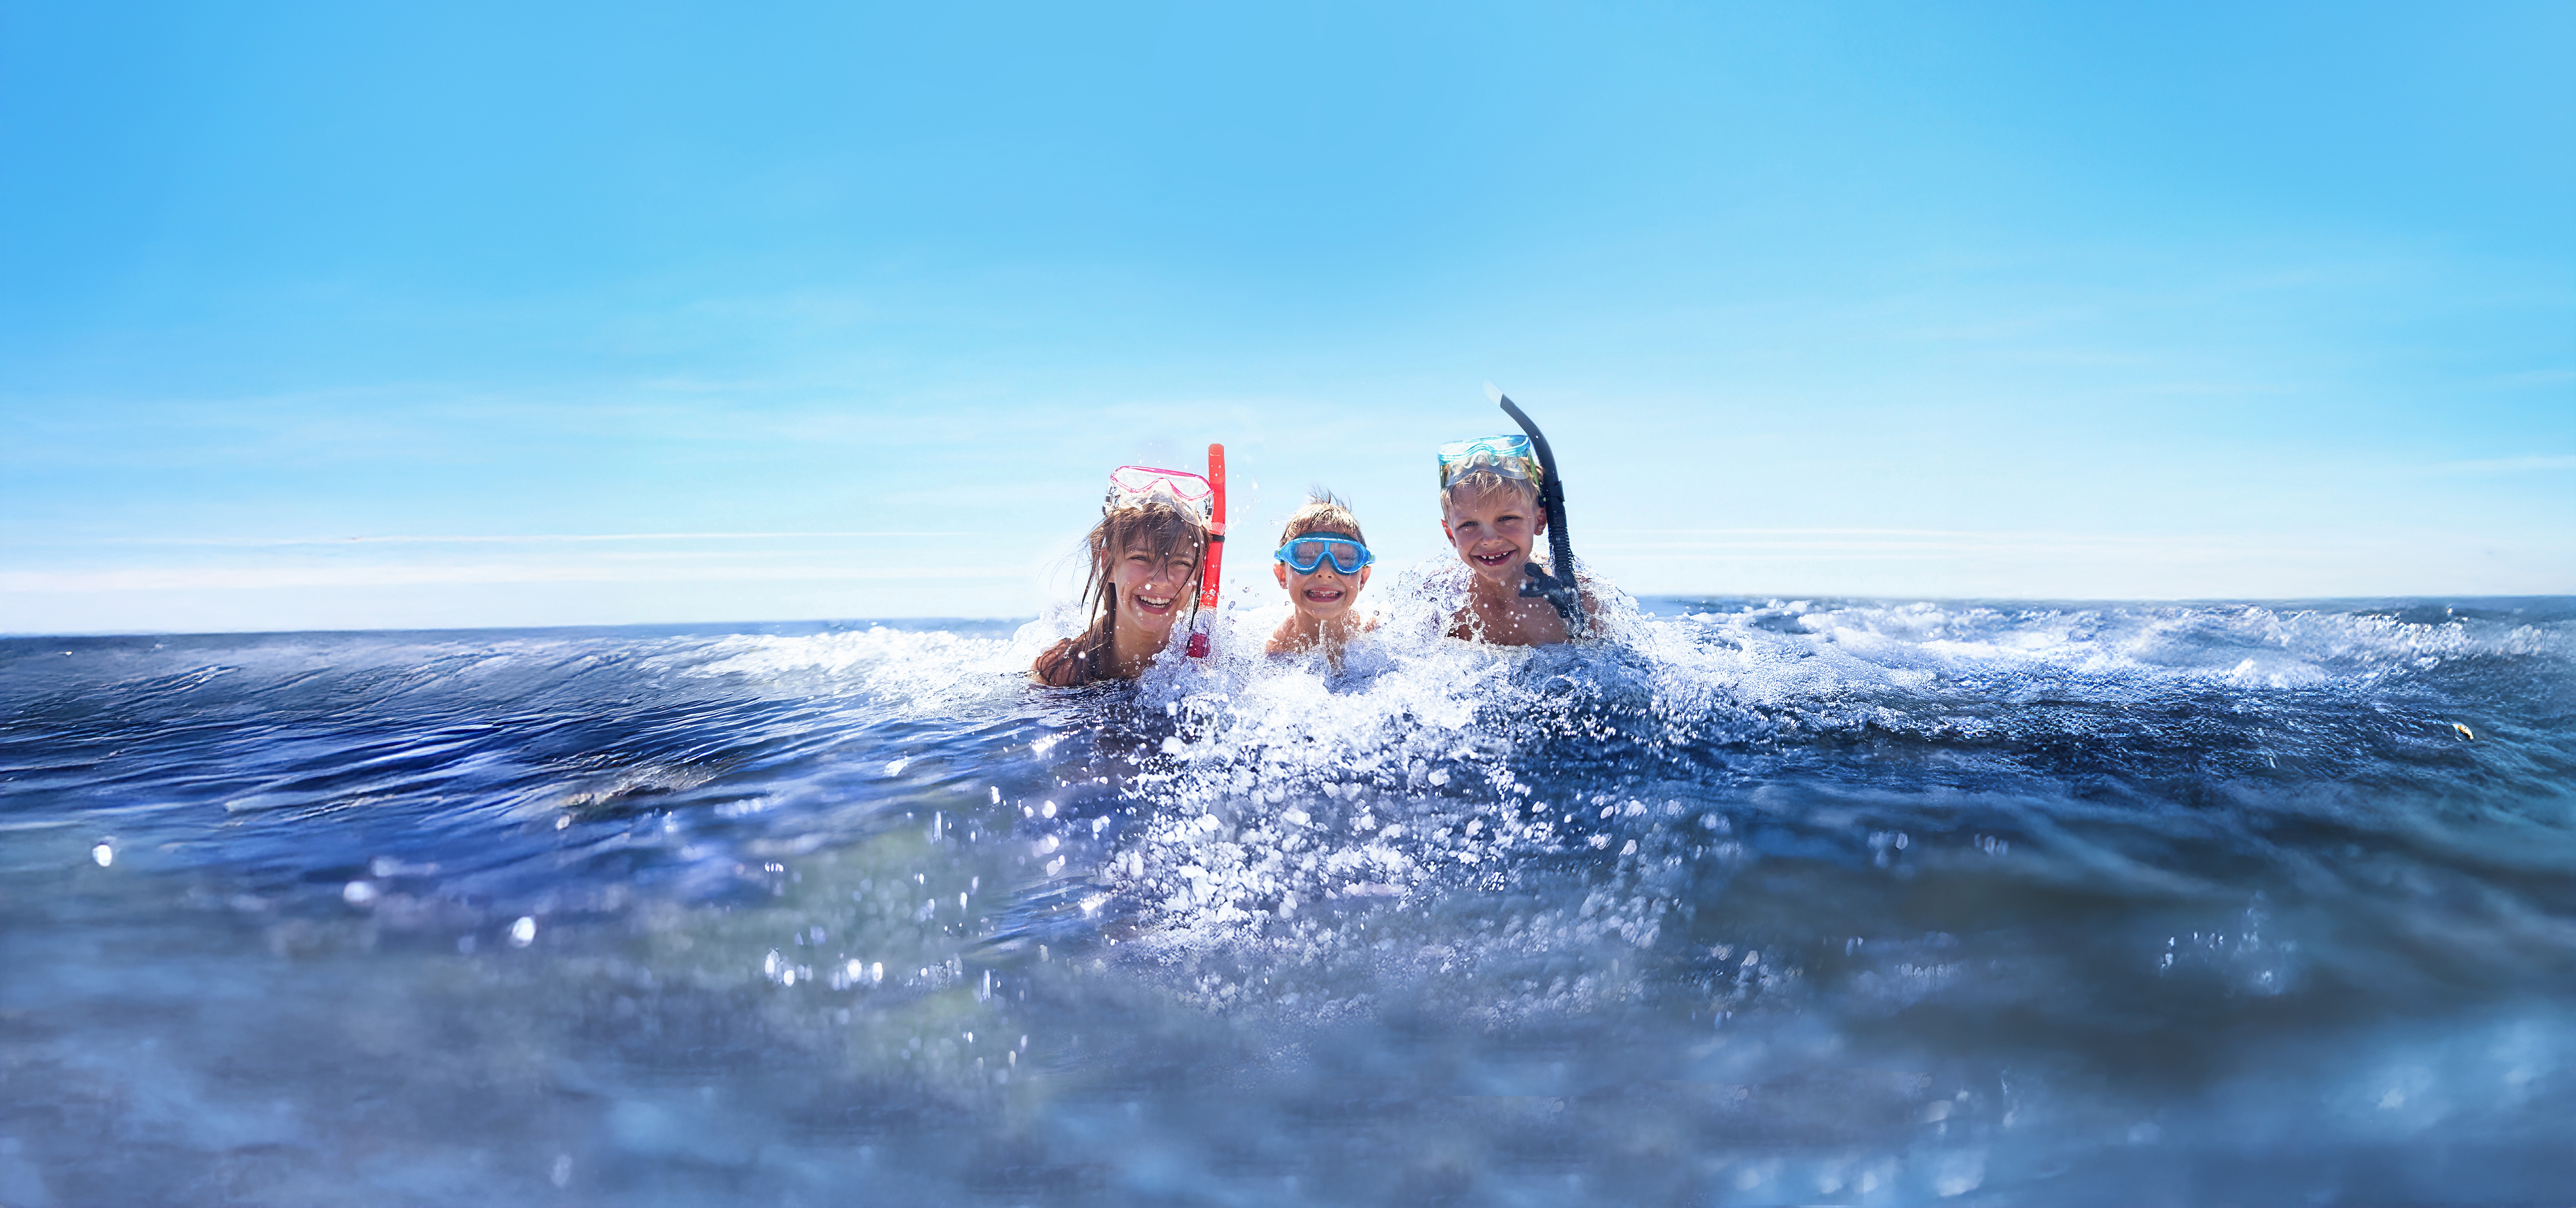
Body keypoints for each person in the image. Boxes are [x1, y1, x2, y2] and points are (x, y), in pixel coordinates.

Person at [1032, 465, 1213, 686]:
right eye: (1142, 558)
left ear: (1198, 574)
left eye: (1181, 563)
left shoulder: (1213, 670)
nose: (1160, 581)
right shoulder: (1059, 672)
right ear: (1108, 562)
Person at [1436, 435, 1596, 646]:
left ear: (1540, 520)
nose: (1490, 540)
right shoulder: (1441, 601)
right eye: (1468, 525)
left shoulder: (1581, 602)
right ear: (1450, 534)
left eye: (1507, 519)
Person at [1265, 492, 1378, 663]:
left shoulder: (1375, 631)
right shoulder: (1276, 649)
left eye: (1346, 559)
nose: (1325, 571)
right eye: (1305, 557)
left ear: (1362, 578)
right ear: (1283, 576)